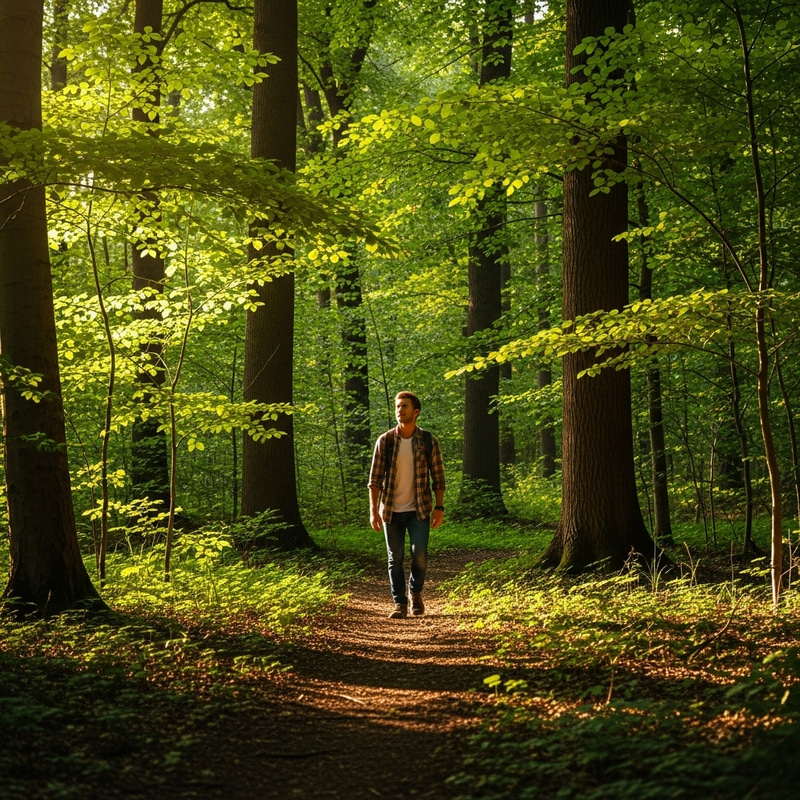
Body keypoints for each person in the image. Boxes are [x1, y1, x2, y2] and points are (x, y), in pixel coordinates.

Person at [368, 391, 446, 619]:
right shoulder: (386, 441)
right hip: (391, 510)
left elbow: (438, 478)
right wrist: (374, 510)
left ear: (416, 412)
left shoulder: (428, 441)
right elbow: (374, 480)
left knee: (419, 555)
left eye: (405, 406)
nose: (400, 410)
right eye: (398, 406)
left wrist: (439, 508)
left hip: (419, 509)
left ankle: (416, 593)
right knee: (395, 558)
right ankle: (399, 603)